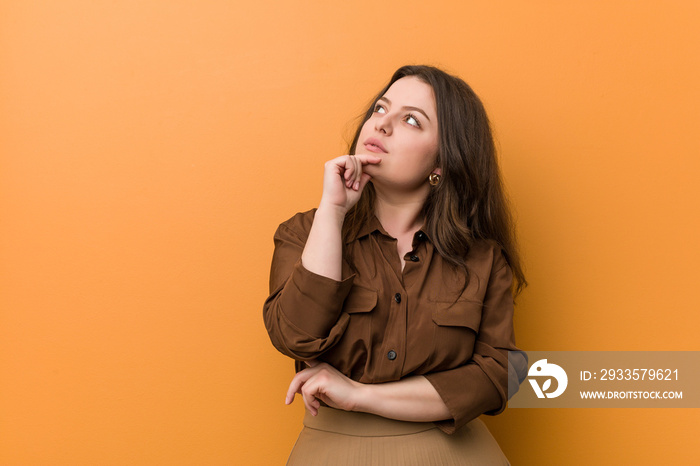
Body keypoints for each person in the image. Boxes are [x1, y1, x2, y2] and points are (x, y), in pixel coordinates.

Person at [263, 65, 527, 465]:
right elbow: (293, 336)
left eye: (410, 120)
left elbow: (499, 375)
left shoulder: (483, 259)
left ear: (442, 162)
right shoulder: (304, 232)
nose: (382, 124)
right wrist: (333, 212)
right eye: (380, 109)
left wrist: (361, 396)